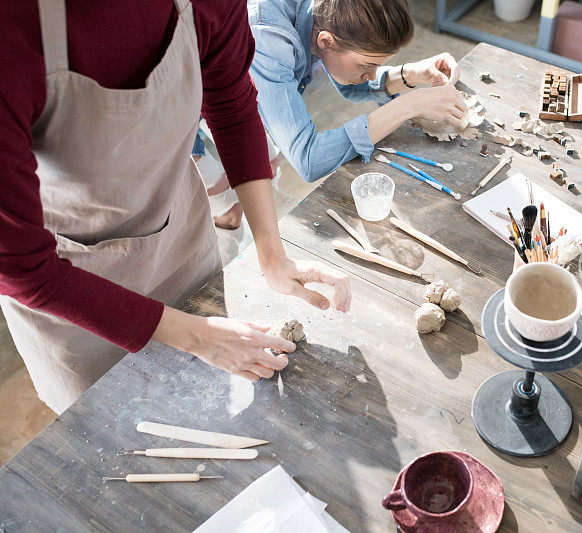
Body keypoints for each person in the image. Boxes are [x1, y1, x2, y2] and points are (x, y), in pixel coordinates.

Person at [0, 0, 351, 415]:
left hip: (180, 239)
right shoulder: (14, 31)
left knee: (211, 413)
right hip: (74, 292)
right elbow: (23, 270)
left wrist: (272, 254)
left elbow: (233, 106)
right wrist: (197, 336)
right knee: (119, 449)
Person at [247, 0, 467, 183]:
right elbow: (309, 159)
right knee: (233, 193)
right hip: (219, 106)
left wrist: (411, 74)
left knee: (262, 170)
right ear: (325, 41)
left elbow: (352, 86)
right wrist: (410, 105)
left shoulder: (330, 17)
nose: (371, 75)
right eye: (365, 65)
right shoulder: (268, 41)